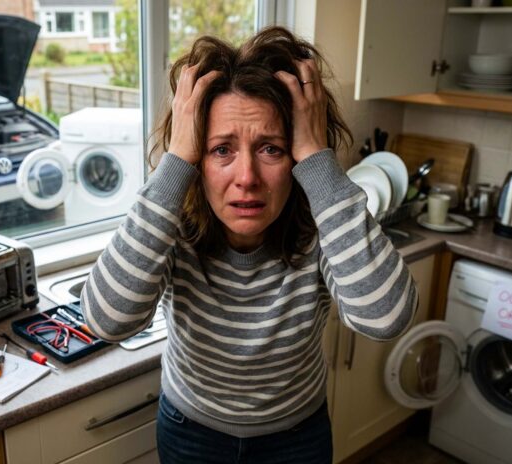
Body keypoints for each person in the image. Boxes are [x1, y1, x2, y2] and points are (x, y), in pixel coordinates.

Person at [81, 26, 419, 464]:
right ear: (196, 158)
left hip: (297, 438)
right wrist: (176, 160)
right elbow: (106, 321)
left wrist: (318, 157)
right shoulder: (170, 226)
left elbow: (387, 317)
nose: (247, 178)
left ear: (298, 154)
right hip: (190, 433)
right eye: (221, 150)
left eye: (271, 149)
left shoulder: (325, 227)